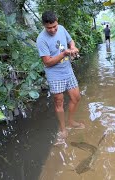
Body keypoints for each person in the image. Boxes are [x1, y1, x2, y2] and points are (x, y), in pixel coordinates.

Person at [36, 11, 85, 140]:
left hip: (68, 70)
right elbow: (47, 62)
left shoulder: (62, 29)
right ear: (44, 25)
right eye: (49, 28)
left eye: (54, 27)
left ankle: (71, 121)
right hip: (55, 75)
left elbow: (71, 41)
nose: (52, 30)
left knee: (76, 98)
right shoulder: (41, 39)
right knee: (59, 102)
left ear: (57, 21)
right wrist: (64, 54)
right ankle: (63, 129)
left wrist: (73, 48)